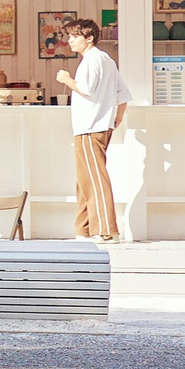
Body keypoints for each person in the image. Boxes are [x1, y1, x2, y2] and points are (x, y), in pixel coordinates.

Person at [54, 19, 129, 242]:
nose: (70, 41)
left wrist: (67, 80)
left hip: (89, 125)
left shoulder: (91, 60)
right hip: (100, 125)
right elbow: (122, 93)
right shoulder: (106, 59)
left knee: (94, 178)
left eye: (75, 37)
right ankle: (84, 228)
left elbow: (85, 89)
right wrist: (117, 116)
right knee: (86, 179)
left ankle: (105, 229)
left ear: (89, 38)